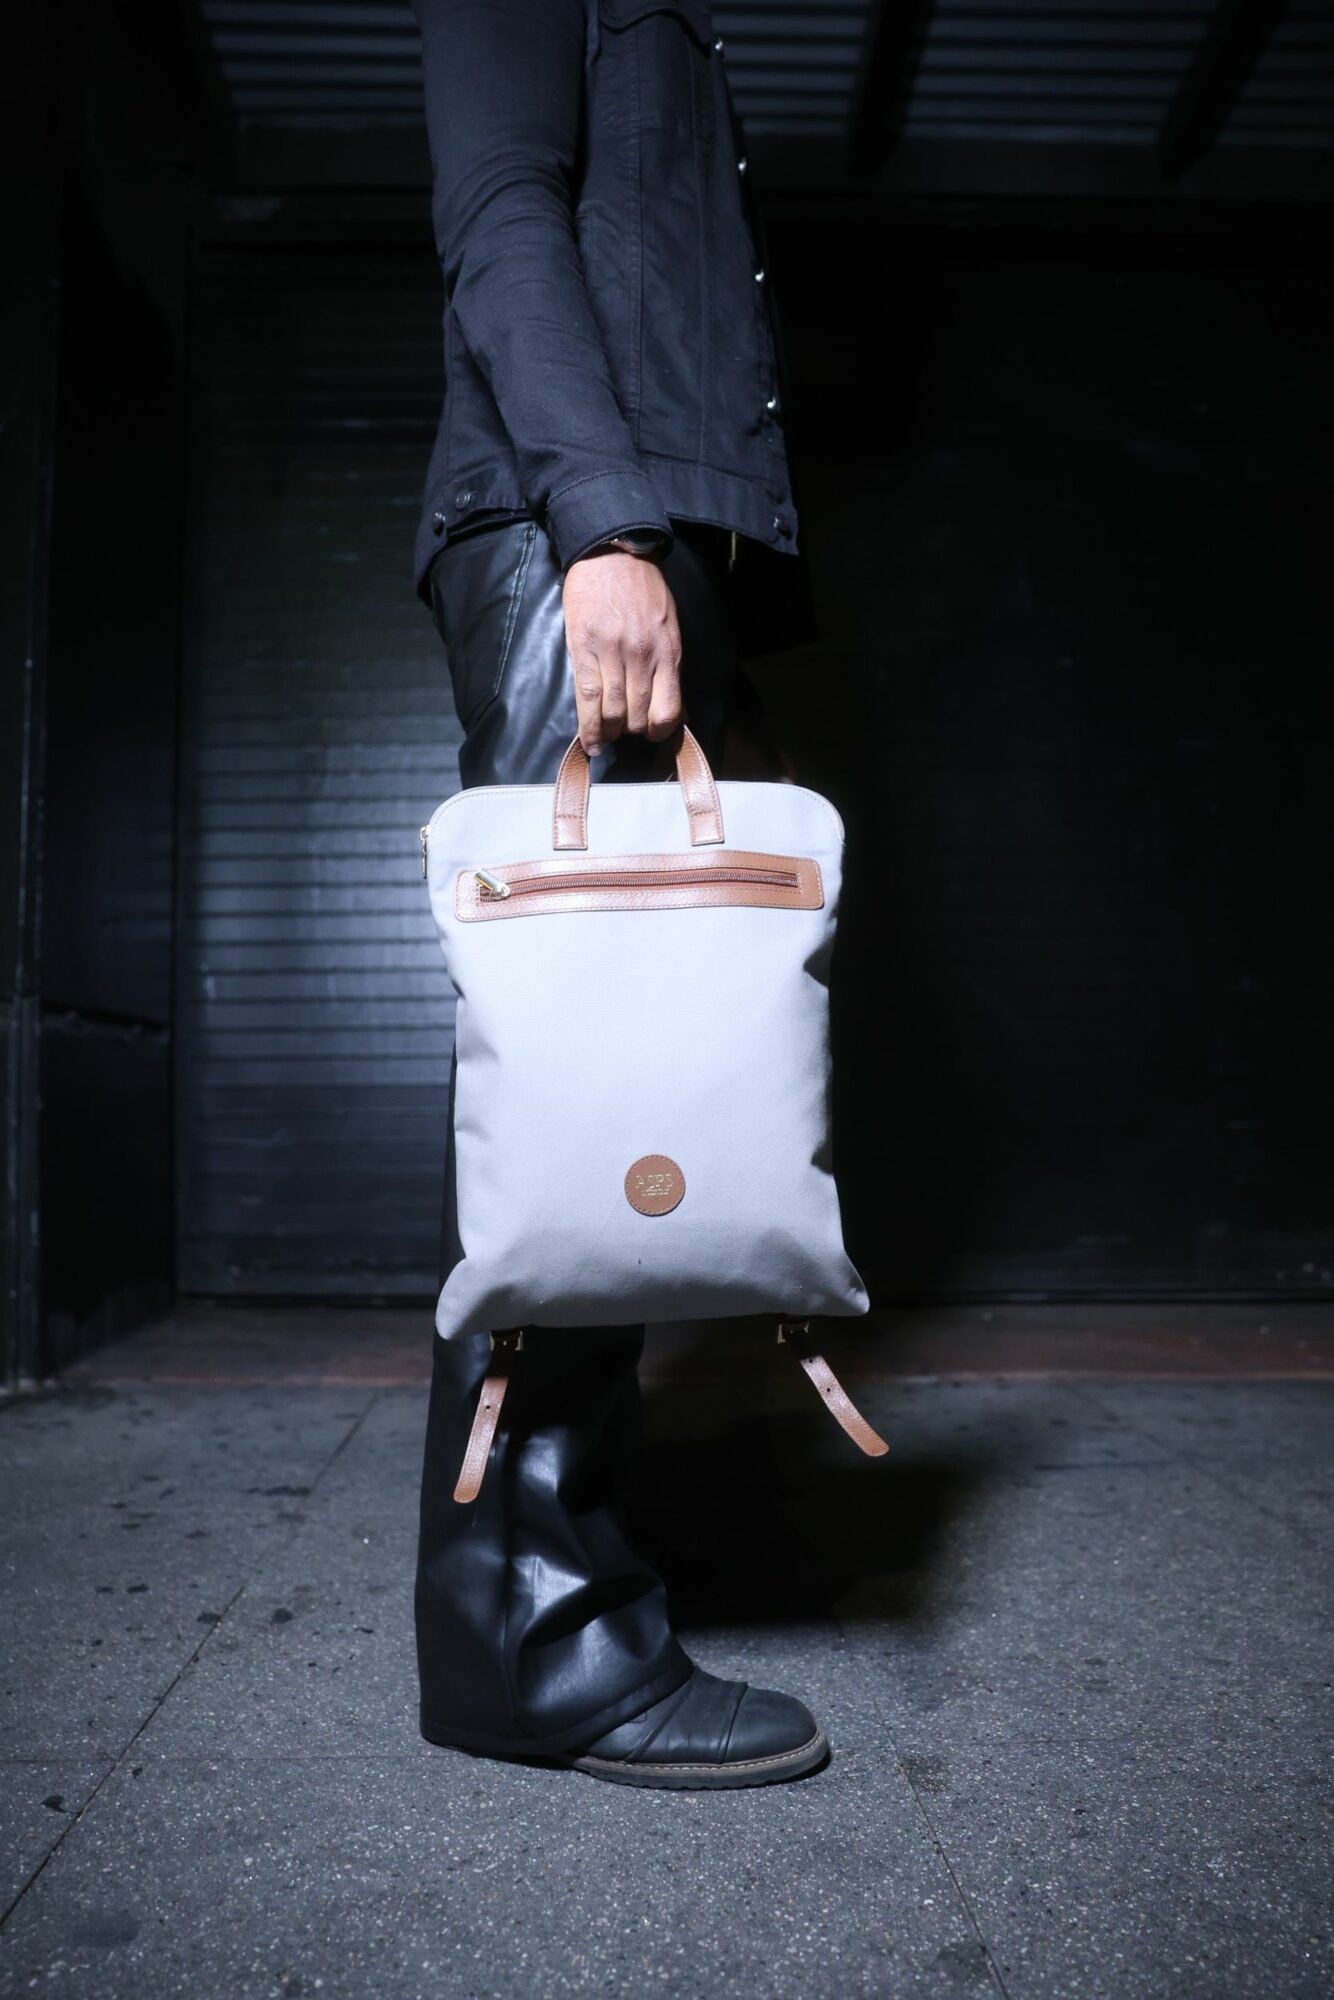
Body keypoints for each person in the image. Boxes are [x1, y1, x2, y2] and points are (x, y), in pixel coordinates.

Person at [410, 0, 826, 1789]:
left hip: (643, 534)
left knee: (633, 1081)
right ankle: (538, 1647)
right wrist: (602, 531)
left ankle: (557, 1590)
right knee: (578, 1089)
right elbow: (499, 205)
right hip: (581, 535)